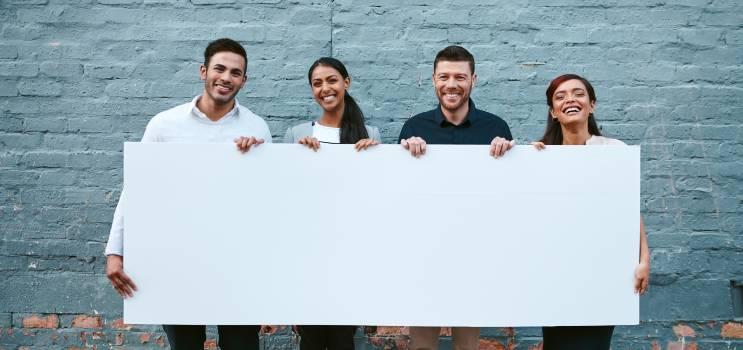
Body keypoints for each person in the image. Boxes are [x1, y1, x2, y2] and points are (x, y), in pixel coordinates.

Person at [104, 38, 272, 350]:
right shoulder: (164, 125)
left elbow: (266, 206)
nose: (226, 77)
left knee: (242, 345)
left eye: (235, 73)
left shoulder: (257, 128)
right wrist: (115, 253)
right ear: (203, 71)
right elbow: (136, 191)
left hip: (236, 262)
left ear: (244, 81)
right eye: (219, 68)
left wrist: (258, 160)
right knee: (185, 345)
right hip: (176, 257)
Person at [397, 45, 514, 350]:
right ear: (433, 80)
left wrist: (510, 154)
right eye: (444, 76)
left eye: (460, 77)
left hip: (475, 250)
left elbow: (508, 194)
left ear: (473, 79)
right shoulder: (414, 127)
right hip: (423, 249)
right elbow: (400, 194)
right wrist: (406, 151)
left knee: (467, 345)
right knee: (422, 345)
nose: (452, 84)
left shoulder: (496, 128)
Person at [531, 73, 651, 350]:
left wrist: (644, 257)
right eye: (560, 97)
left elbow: (629, 209)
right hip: (556, 273)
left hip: (601, 271)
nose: (570, 100)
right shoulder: (541, 156)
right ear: (553, 111)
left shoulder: (614, 151)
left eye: (578, 94)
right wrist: (530, 164)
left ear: (592, 104)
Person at [280, 57, 379, 350]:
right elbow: (286, 197)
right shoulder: (297, 134)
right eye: (317, 83)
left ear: (346, 83)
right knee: (310, 338)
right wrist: (299, 158)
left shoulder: (369, 134)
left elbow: (375, 197)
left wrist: (375, 158)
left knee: (341, 338)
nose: (325, 88)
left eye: (332, 80)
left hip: (349, 253)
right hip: (308, 253)